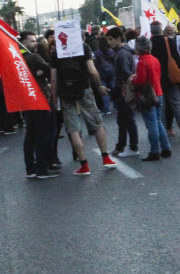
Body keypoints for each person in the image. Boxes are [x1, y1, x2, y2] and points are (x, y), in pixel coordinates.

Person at [51, 34, 116, 175]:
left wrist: (54, 99)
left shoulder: (56, 52)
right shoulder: (83, 47)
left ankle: (84, 165)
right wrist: (99, 86)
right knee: (97, 123)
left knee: (73, 129)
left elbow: (54, 79)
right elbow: (92, 70)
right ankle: (106, 158)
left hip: (65, 93)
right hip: (84, 89)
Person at [19, 31, 58, 179]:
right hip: (40, 98)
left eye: (36, 41)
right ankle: (43, 167)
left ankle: (31, 168)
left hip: (27, 100)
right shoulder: (33, 57)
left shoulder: (18, 59)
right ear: (23, 42)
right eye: (32, 41)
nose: (36, 43)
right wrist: (42, 72)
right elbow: (50, 71)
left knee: (30, 134)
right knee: (43, 134)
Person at [150, 21, 180, 140]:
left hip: (156, 79)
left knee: (160, 105)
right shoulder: (168, 41)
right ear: (161, 30)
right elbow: (176, 58)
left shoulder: (149, 43)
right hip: (171, 78)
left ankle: (162, 131)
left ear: (151, 31)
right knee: (176, 104)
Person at [131, 36, 170, 161]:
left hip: (147, 96)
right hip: (158, 92)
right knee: (158, 122)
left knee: (151, 125)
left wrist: (133, 80)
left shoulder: (142, 62)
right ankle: (166, 147)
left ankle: (154, 151)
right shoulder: (154, 59)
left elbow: (141, 81)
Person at [106, 27, 140, 157]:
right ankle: (121, 146)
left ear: (118, 38)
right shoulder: (123, 52)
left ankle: (133, 146)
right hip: (122, 90)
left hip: (124, 91)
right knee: (122, 119)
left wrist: (124, 90)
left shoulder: (122, 54)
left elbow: (126, 74)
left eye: (111, 39)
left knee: (128, 119)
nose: (109, 43)